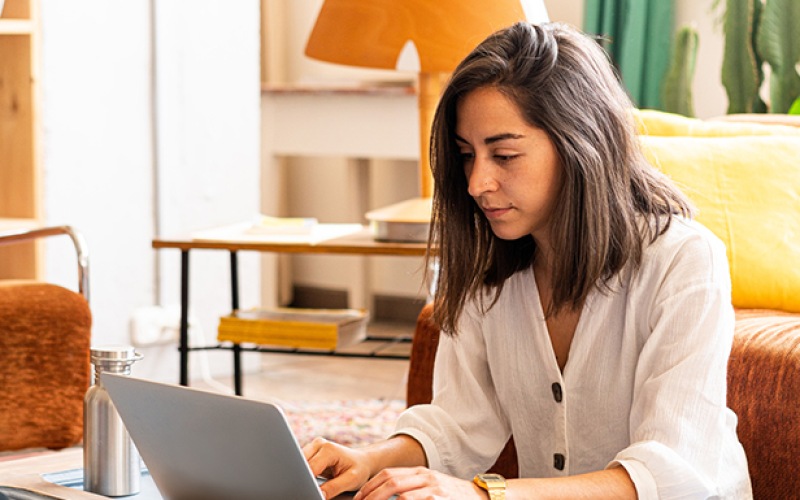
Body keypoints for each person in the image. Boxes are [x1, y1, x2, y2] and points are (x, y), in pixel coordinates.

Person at [303, 21, 752, 499]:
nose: (477, 183)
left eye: (505, 155)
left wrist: (486, 495)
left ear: (581, 143)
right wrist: (369, 460)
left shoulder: (683, 259)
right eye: (467, 155)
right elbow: (458, 424)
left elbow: (670, 470)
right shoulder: (490, 267)